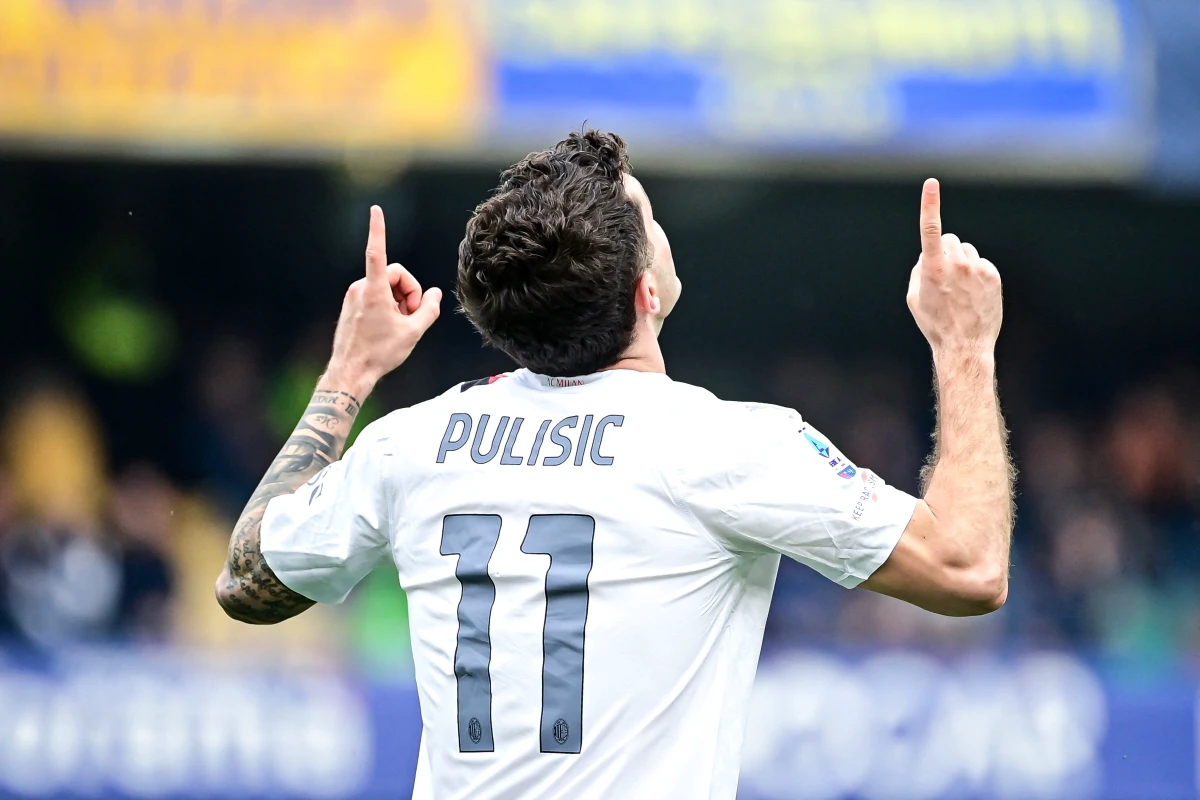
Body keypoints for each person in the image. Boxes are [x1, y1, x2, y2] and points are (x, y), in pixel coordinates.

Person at [215, 131, 1012, 799]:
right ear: (645, 293)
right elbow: (969, 567)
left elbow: (247, 581)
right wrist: (964, 346)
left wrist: (348, 374)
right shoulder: (720, 445)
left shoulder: (413, 443)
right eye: (652, 217)